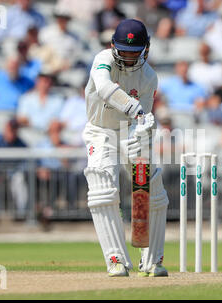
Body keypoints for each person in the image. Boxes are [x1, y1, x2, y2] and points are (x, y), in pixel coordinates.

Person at [82, 19, 169, 277]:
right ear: (112, 46)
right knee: (102, 187)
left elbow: (142, 119)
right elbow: (105, 87)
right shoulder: (103, 59)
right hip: (101, 130)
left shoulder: (149, 76)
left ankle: (153, 260)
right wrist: (135, 109)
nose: (129, 56)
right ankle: (116, 259)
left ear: (146, 49)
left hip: (129, 130)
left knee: (154, 190)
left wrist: (141, 133)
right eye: (124, 50)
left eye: (135, 51)